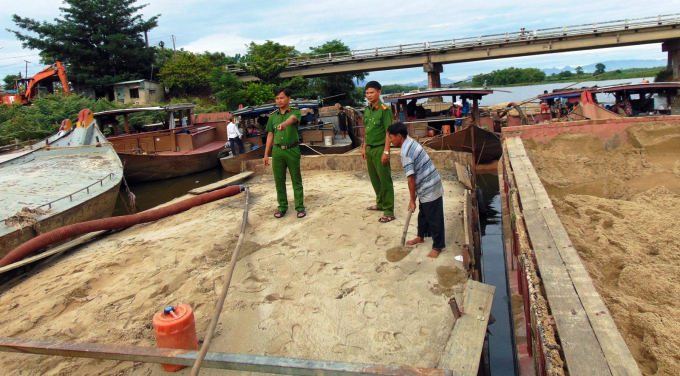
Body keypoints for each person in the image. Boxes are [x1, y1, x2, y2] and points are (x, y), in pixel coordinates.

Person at [386, 121, 445, 258]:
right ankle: (421, 236)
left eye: (391, 137)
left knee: (434, 217)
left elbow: (410, 179)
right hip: (425, 184)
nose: (390, 140)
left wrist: (412, 200)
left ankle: (438, 246)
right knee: (423, 214)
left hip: (430, 185)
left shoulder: (406, 152)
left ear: (399, 136)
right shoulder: (409, 142)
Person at [263, 87, 306, 219]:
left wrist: (285, 124)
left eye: (282, 98)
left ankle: (300, 207)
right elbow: (270, 135)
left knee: (296, 179)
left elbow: (292, 119)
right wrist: (266, 154)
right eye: (277, 98)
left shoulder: (296, 112)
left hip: (292, 150)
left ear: (288, 98)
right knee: (279, 180)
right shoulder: (273, 117)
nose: (279, 100)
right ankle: (282, 207)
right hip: (277, 151)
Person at [362, 81, 395, 223]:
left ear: (379, 92)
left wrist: (386, 152)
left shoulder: (384, 110)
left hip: (381, 148)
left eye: (372, 92)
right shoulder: (367, 109)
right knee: (375, 179)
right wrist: (364, 147)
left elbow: (389, 132)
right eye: (367, 93)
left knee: (385, 180)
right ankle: (380, 203)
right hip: (370, 149)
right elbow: (367, 130)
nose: (369, 95)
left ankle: (389, 210)